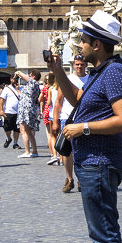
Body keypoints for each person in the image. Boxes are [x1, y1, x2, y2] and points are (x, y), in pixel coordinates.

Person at [46, 10, 122, 243]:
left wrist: (82, 129)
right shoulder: (101, 71)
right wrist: (58, 73)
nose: (80, 44)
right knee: (102, 235)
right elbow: (80, 99)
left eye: (84, 40)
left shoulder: (114, 74)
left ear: (97, 44)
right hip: (92, 162)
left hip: (100, 162)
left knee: (106, 236)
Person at [55, 55, 87, 192]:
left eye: (82, 64)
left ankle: (81, 179)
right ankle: (69, 179)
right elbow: (58, 102)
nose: (79, 66)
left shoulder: (90, 79)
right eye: (77, 64)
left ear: (86, 65)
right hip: (67, 119)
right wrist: (55, 121)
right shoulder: (67, 80)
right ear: (74, 65)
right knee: (66, 151)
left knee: (82, 150)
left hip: (84, 119)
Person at [15, 69, 42, 158]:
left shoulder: (33, 83)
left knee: (24, 130)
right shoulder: (34, 85)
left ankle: (27, 151)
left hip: (26, 109)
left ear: (33, 76)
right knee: (28, 131)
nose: (29, 76)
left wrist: (18, 73)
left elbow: (24, 76)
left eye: (30, 75)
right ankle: (33, 151)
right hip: (28, 108)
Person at [0, 76, 21, 149]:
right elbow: (2, 100)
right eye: (14, 79)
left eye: (17, 79)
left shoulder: (19, 89)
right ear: (11, 79)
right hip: (8, 112)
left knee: (17, 129)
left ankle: (15, 143)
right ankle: (8, 138)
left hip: (18, 112)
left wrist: (18, 90)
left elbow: (22, 98)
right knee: (7, 128)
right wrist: (1, 110)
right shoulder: (7, 89)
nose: (15, 80)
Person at [41, 73, 59, 164]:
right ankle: (62, 158)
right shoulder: (61, 88)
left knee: (51, 135)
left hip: (51, 113)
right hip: (61, 114)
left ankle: (53, 154)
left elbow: (47, 102)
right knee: (60, 135)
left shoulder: (49, 89)